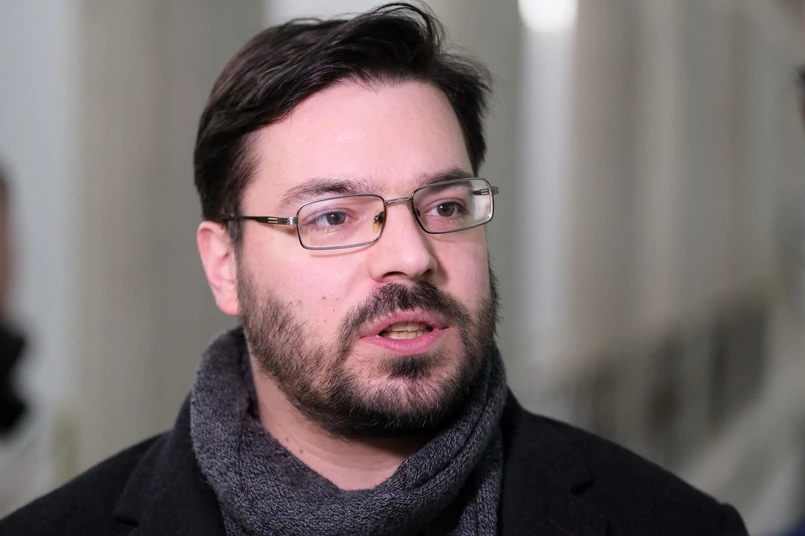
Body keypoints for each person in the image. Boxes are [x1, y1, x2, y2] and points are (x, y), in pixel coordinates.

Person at [0, 4, 748, 535]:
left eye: (445, 206)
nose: (411, 256)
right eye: (332, 217)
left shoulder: (675, 524)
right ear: (225, 266)